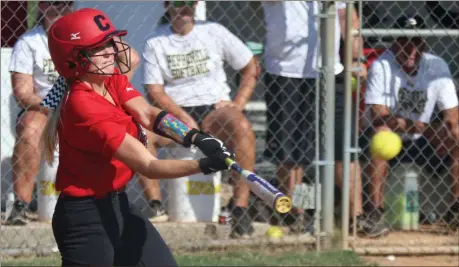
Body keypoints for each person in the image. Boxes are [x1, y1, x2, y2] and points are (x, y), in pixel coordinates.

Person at [42, 8, 234, 266]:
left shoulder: (108, 81)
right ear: (73, 60)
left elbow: (147, 113)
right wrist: (202, 165)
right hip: (86, 218)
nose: (112, 50)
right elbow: (149, 166)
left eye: (110, 43)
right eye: (99, 48)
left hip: (118, 203)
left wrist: (195, 138)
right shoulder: (82, 105)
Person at [5, 1, 142, 226]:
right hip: (47, 107)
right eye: (52, 3)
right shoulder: (30, 41)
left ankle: (144, 202)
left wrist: (104, 32)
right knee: (30, 128)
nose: (58, 8)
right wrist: (61, 105)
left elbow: (132, 60)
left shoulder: (86, 35)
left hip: (90, 102)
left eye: (65, 3)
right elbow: (23, 92)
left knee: (134, 122)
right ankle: (21, 204)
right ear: (41, 6)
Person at [261, 1, 388, 237]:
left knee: (344, 147)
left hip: (331, 70)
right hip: (287, 72)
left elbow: (346, 17)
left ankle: (355, 217)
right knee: (292, 152)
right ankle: (295, 215)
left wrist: (357, 58)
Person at [142, 1, 258, 238]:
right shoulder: (156, 41)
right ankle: (156, 204)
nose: (184, 7)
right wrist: (182, 116)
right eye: (178, 2)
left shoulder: (213, 31)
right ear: (167, 5)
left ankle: (240, 208)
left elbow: (251, 67)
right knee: (141, 135)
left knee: (242, 127)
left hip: (214, 108)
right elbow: (154, 90)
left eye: (190, 2)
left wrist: (238, 104)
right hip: (176, 111)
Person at [362, 15, 459, 229]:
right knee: (382, 133)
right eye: (404, 41)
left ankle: (456, 210)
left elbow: (453, 116)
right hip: (393, 139)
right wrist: (428, 130)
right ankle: (375, 212)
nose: (410, 48)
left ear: (424, 43)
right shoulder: (382, 65)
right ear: (395, 44)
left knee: (457, 133)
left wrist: (445, 131)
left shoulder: (436, 65)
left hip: (424, 140)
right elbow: (381, 115)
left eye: (416, 41)